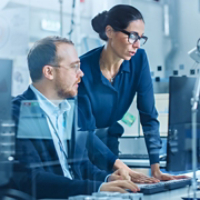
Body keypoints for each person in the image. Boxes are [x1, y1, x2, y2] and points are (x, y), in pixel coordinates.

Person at [12, 36, 140, 199]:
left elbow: (80, 166)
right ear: (49, 72)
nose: (81, 73)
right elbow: (31, 178)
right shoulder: (19, 112)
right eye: (74, 67)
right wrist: (98, 187)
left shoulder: (69, 110)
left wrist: (107, 179)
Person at [78, 4, 187, 181]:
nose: (136, 45)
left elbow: (148, 115)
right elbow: (84, 132)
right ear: (110, 32)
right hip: (81, 151)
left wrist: (156, 168)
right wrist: (123, 167)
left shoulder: (139, 60)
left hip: (110, 144)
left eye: (141, 38)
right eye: (132, 36)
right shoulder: (83, 69)